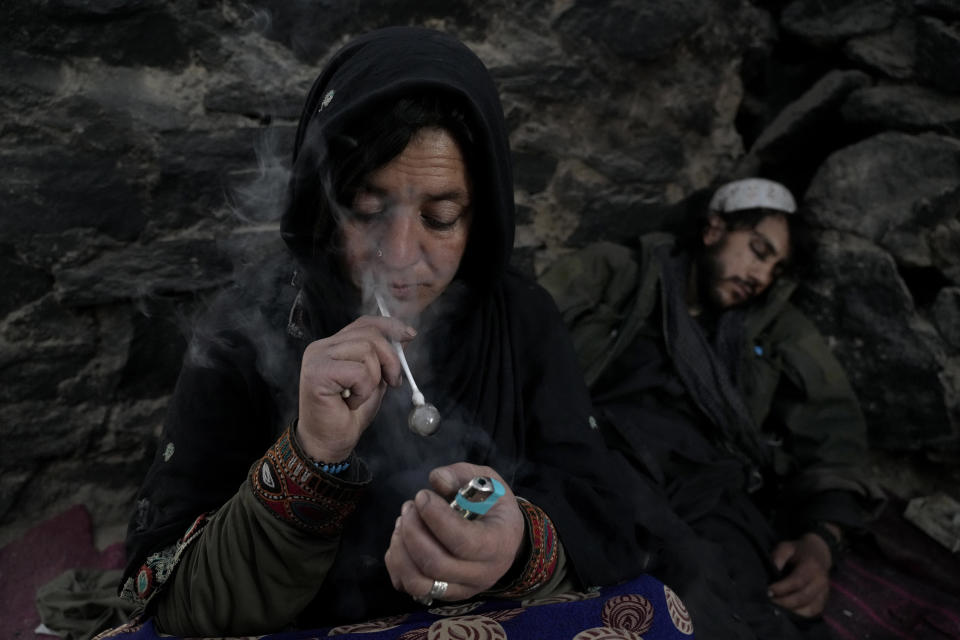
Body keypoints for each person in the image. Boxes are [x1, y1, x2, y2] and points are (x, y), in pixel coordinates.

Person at [118, 27, 688, 638]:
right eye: (367, 210)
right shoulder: (242, 331)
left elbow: (598, 513)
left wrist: (516, 547)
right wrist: (310, 456)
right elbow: (169, 607)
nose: (399, 255)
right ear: (324, 202)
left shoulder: (521, 319)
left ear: (482, 217)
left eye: (440, 218)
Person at [539, 177, 884, 639]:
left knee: (769, 608)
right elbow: (526, 337)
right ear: (713, 229)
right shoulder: (620, 273)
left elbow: (833, 429)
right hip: (612, 453)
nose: (761, 277)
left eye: (775, 269)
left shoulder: (774, 331)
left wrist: (822, 539)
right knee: (684, 579)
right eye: (758, 250)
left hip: (713, 483)